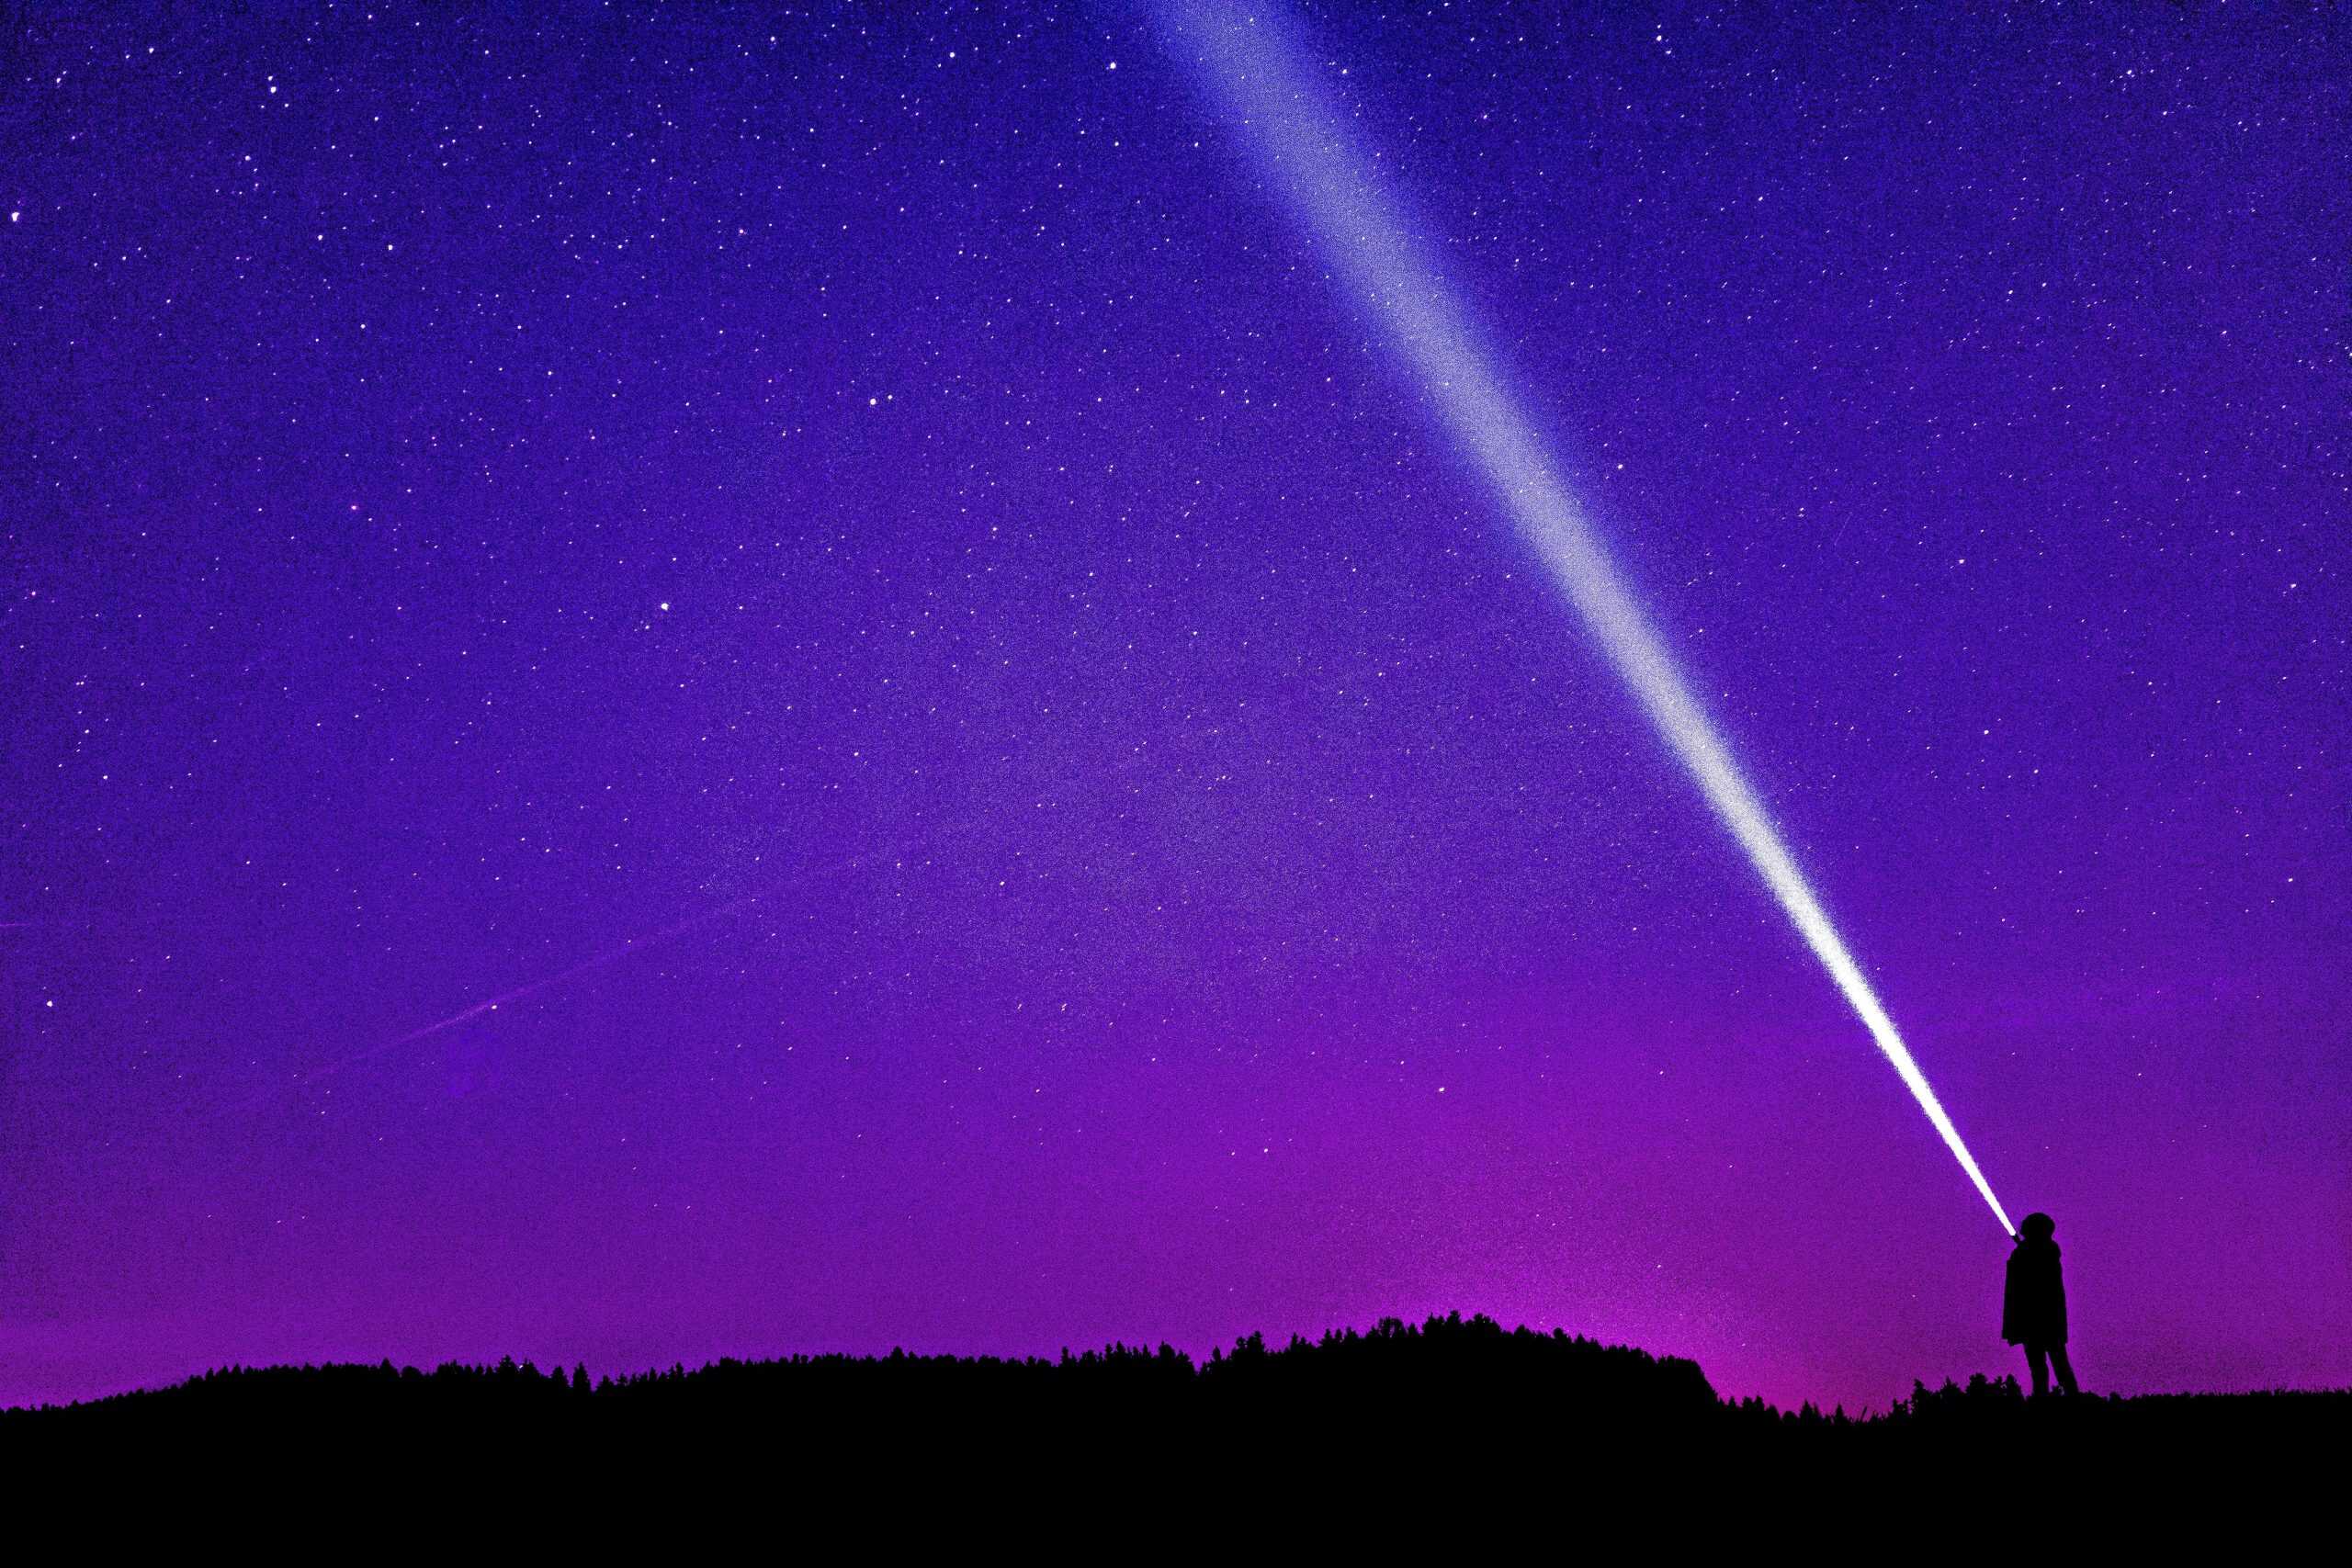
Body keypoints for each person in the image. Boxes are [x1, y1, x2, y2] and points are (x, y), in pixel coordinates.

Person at [2002, 1212, 2079, 1397]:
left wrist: (2024, 1253)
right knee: (2046, 1365)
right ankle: (2057, 1399)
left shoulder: (2043, 1252)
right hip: (2043, 1319)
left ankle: (2062, 1401)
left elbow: (2027, 1279)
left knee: (2052, 1365)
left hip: (2039, 1319)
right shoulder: (2041, 1251)